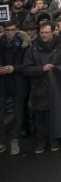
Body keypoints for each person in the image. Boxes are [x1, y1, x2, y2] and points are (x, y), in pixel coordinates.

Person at [22, 22, 61, 153]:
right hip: (39, 87)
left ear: (53, 32)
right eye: (41, 32)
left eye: (46, 32)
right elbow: (26, 69)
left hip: (57, 88)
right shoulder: (32, 48)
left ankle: (54, 139)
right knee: (39, 116)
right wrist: (41, 69)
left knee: (55, 115)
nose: (43, 35)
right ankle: (41, 141)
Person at [0, 20, 31, 155]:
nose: (9, 33)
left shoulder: (24, 45)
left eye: (12, 29)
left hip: (18, 83)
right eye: (7, 30)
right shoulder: (1, 43)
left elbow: (27, 64)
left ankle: (14, 140)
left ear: (17, 29)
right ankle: (1, 141)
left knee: (18, 114)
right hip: (2, 83)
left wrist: (12, 68)